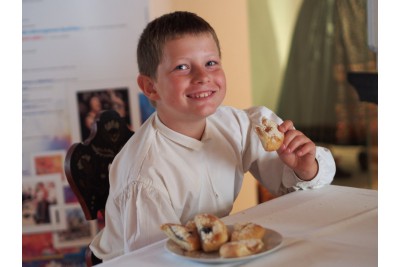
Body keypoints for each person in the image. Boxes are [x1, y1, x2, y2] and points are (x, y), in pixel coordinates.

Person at [90, 11, 335, 261]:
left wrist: (305, 168)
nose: (203, 77)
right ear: (150, 87)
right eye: (182, 67)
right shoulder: (145, 177)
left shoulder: (239, 125)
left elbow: (298, 191)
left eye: (211, 63)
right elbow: (158, 260)